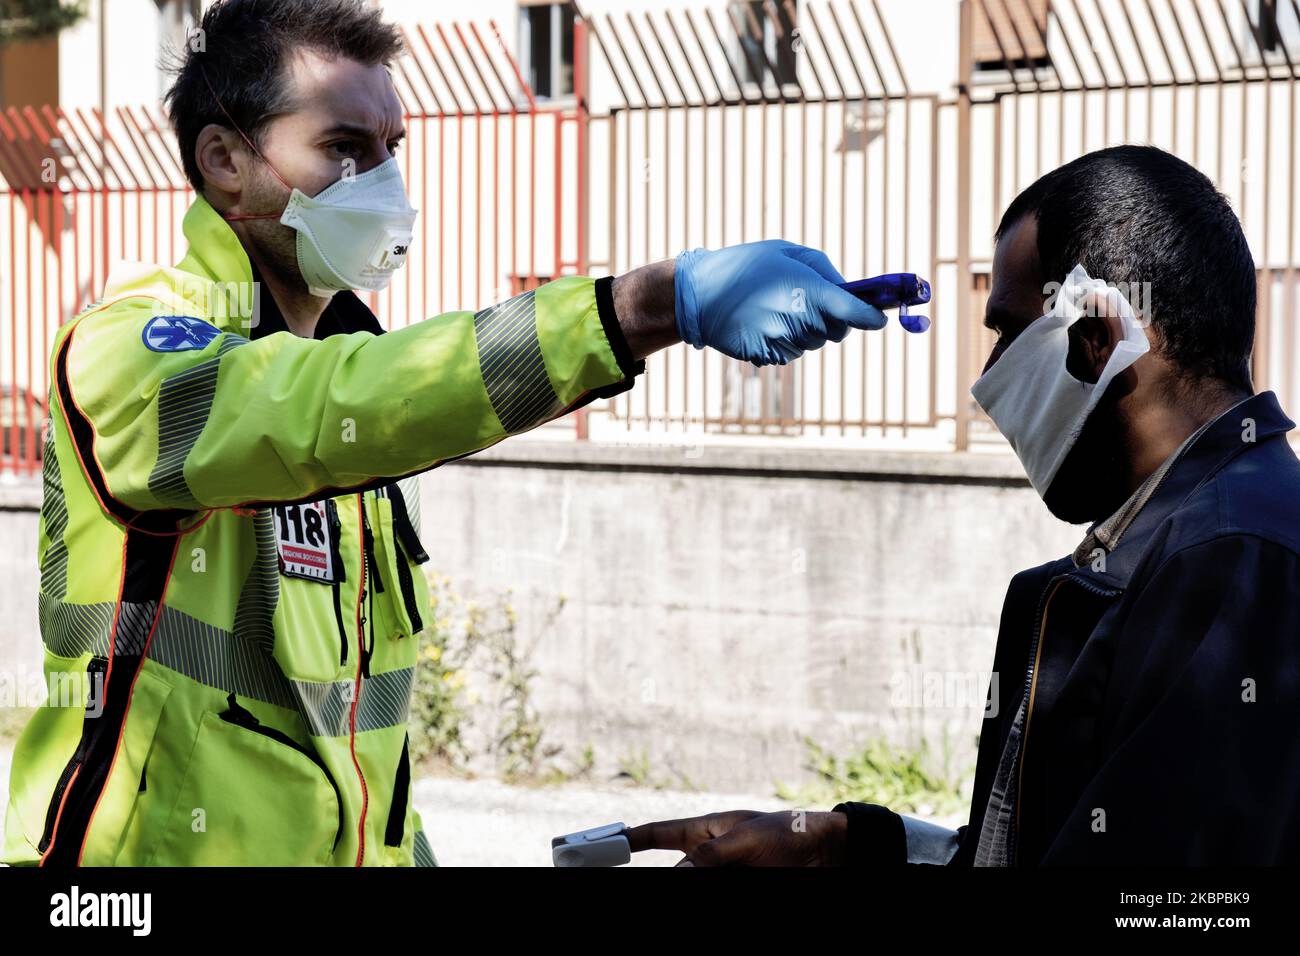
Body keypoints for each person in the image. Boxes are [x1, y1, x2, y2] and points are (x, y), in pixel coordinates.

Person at [1, 0, 885, 867]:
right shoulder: (130, 346)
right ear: (226, 159)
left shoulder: (357, 369)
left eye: (392, 148)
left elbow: (363, 752)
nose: (383, 180)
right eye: (343, 148)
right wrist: (645, 305)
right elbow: (307, 408)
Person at [629, 145, 1300, 866]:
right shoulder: (1179, 541)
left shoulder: (1234, 560)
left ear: (1097, 339)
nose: (988, 378)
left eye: (1008, 331)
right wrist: (855, 848)